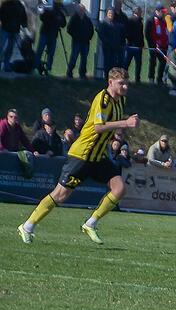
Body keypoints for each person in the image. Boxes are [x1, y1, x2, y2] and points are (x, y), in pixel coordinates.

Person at [18, 68, 139, 245]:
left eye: (127, 83)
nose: (125, 86)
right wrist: (126, 123)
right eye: (122, 83)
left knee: (119, 188)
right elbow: (98, 127)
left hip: (98, 156)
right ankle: (27, 226)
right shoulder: (102, 99)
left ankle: (91, 223)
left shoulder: (121, 100)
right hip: (82, 154)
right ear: (110, 82)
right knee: (60, 195)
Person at [35, 0, 66, 74]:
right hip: (45, 33)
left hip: (53, 35)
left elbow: (63, 24)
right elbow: (42, 18)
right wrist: (50, 14)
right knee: (40, 51)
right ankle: (36, 67)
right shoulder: (47, 9)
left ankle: (48, 69)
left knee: (51, 53)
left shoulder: (60, 13)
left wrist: (59, 19)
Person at [66, 3, 93, 79]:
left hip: (85, 42)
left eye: (83, 10)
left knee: (84, 59)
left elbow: (91, 30)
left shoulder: (87, 19)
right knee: (74, 57)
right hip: (76, 41)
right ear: (77, 10)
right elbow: (69, 29)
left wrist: (89, 37)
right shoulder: (74, 18)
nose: (81, 11)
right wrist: (75, 36)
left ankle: (82, 73)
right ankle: (69, 72)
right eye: (80, 9)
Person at [0, 0, 28, 72]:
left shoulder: (20, 6)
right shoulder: (7, 4)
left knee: (9, 49)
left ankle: (6, 65)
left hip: (13, 30)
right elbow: (1, 15)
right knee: (2, 47)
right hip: (7, 29)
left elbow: (24, 18)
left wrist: (24, 24)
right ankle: (5, 65)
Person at [145, 4, 168, 84]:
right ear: (157, 11)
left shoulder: (164, 21)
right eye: (162, 12)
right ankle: (151, 78)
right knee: (153, 62)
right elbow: (147, 33)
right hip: (153, 46)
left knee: (163, 62)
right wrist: (152, 44)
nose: (163, 13)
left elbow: (165, 33)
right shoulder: (150, 20)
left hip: (163, 46)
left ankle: (159, 79)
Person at [98, 8, 123, 75]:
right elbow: (101, 35)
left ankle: (112, 76)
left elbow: (117, 35)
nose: (111, 15)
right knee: (107, 63)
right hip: (107, 46)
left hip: (114, 47)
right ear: (107, 14)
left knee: (113, 63)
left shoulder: (115, 24)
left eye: (112, 13)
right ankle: (106, 77)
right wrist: (107, 42)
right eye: (109, 13)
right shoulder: (103, 23)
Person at [124, 7, 144, 82]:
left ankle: (137, 79)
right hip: (131, 45)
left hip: (138, 46)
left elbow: (141, 34)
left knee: (138, 63)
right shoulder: (131, 20)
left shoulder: (140, 21)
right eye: (140, 11)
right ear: (136, 12)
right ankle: (124, 77)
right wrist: (131, 40)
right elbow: (128, 32)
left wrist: (142, 43)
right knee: (127, 62)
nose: (141, 13)